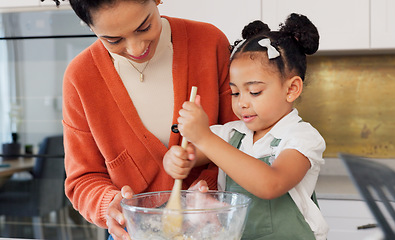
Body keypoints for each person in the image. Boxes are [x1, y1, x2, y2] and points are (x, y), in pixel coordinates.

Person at [62, 0, 237, 239]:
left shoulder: (209, 43)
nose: (136, 49)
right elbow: (82, 179)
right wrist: (110, 204)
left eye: (144, 27)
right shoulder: (80, 77)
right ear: (90, 27)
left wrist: (207, 190)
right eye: (114, 40)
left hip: (211, 226)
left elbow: (243, 139)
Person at [164, 13, 329, 239]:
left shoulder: (301, 137)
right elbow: (188, 154)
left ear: (291, 89)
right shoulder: (231, 134)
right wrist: (175, 159)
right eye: (235, 92)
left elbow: (271, 184)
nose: (242, 102)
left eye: (254, 92)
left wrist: (204, 138)